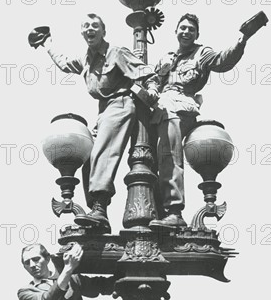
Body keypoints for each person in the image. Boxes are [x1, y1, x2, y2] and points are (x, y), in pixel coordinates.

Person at [30, 14, 159, 233]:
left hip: (121, 103)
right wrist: (47, 42)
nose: (90, 29)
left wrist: (153, 89)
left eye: (95, 25)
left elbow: (145, 72)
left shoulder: (116, 53)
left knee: (103, 152)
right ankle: (97, 213)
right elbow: (64, 63)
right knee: (89, 156)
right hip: (104, 110)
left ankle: (100, 205)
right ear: (81, 32)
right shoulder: (86, 59)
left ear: (103, 31)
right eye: (86, 26)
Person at [149, 13, 249, 230]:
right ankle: (154, 210)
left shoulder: (201, 53)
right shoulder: (166, 57)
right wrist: (157, 76)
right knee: (145, 156)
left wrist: (243, 39)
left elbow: (223, 60)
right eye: (182, 28)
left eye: (191, 29)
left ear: (196, 34)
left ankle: (174, 211)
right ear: (175, 31)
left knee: (168, 150)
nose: (186, 32)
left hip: (180, 108)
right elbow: (153, 83)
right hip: (157, 108)